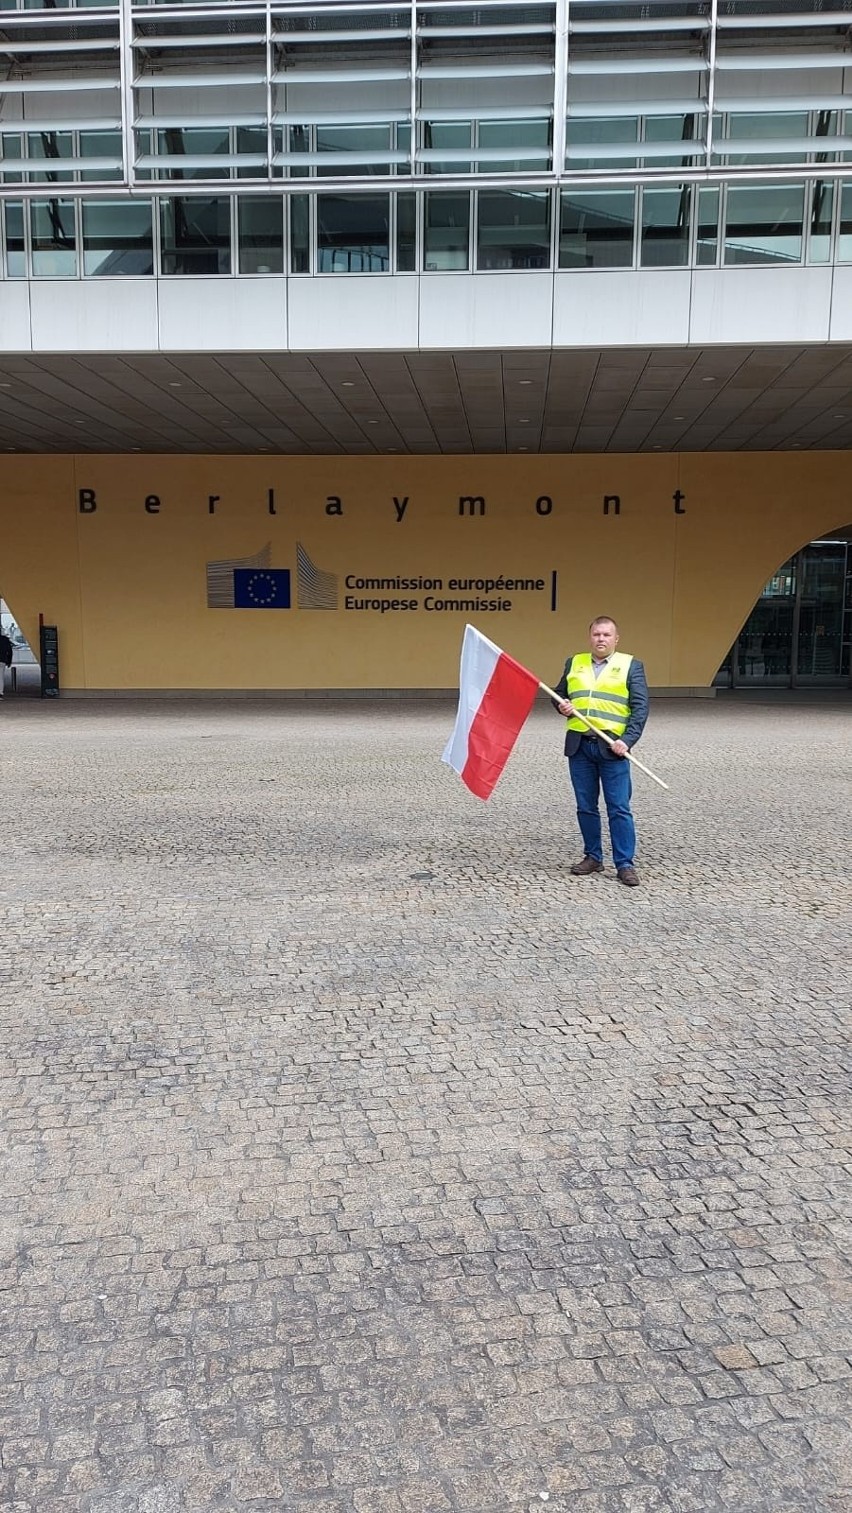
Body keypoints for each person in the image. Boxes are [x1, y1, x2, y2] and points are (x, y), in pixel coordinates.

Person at [554, 616, 649, 887]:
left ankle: (625, 864)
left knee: (619, 807)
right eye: (597, 634)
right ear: (590, 637)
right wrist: (562, 705)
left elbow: (640, 709)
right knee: (585, 807)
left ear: (616, 639)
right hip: (580, 746)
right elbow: (559, 694)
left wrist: (628, 740)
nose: (601, 639)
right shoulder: (574, 663)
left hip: (613, 748)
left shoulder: (631, 666)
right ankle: (593, 856)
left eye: (607, 635)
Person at [0, 632, 12, 699]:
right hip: (2, 660)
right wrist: (9, 661)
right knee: (0, 677)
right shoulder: (5, 639)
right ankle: (0, 693)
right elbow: (10, 651)